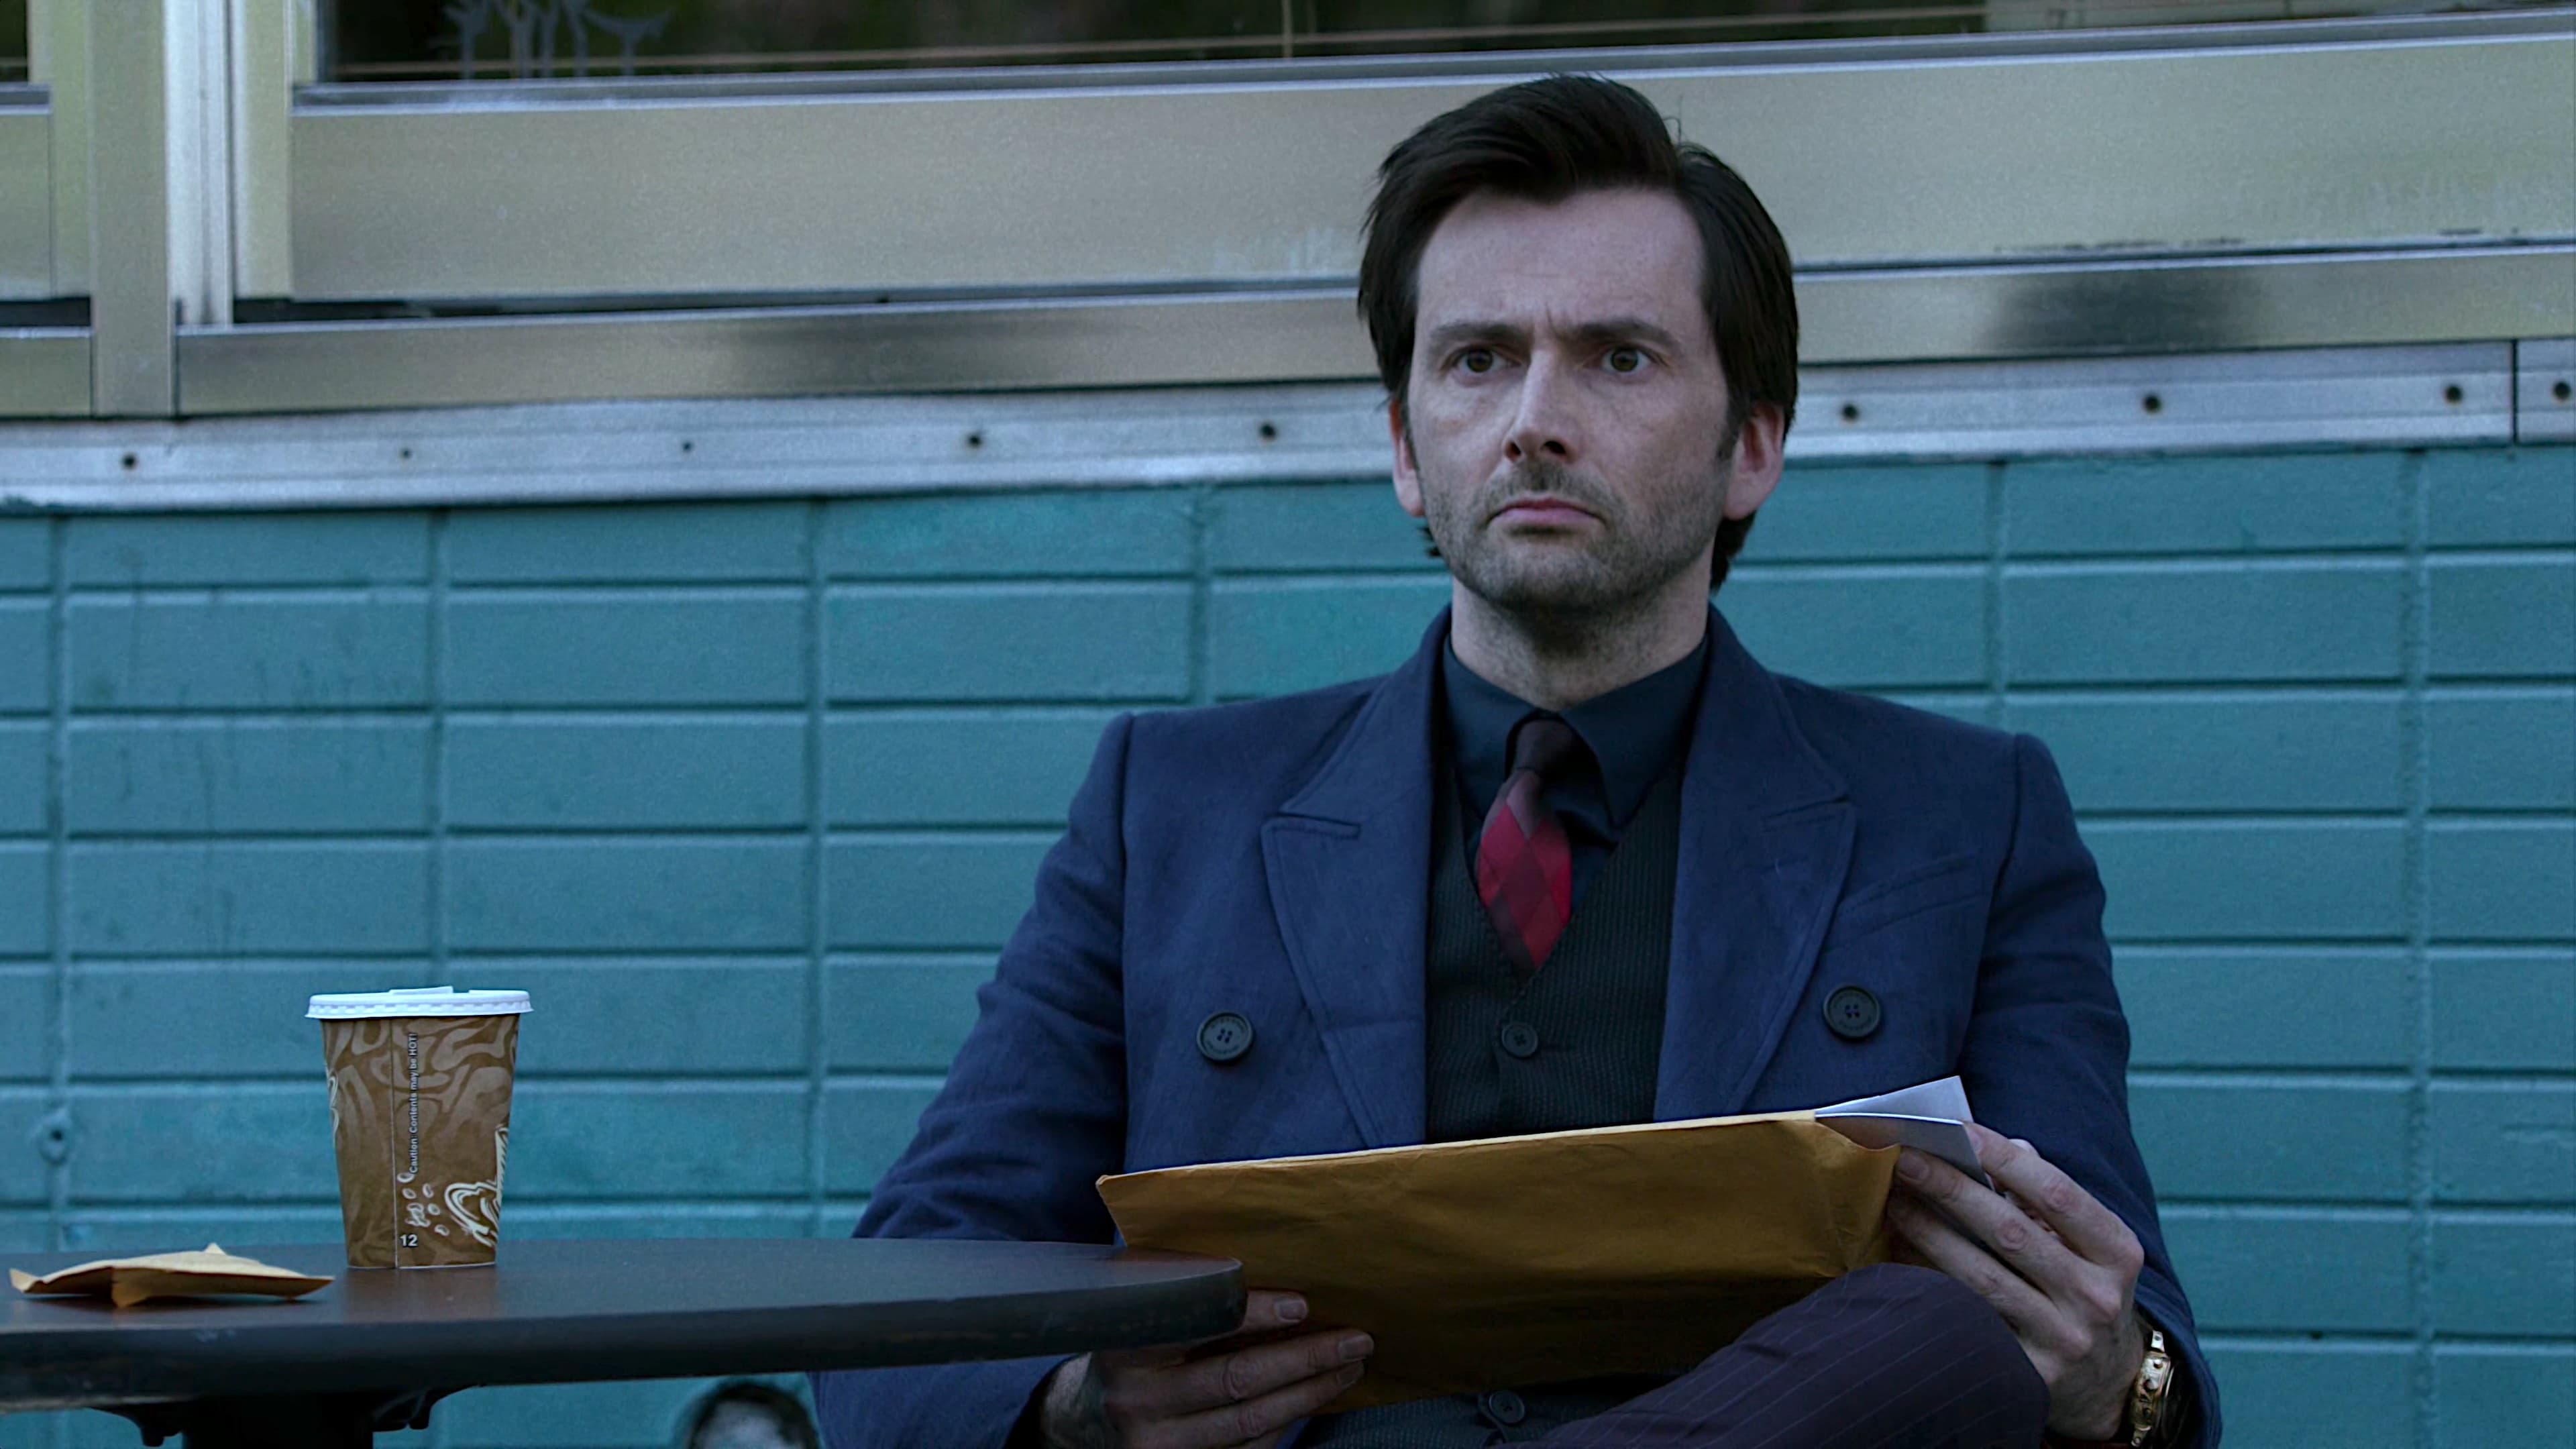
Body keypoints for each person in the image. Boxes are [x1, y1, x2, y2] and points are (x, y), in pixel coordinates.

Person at [812, 74, 2215, 1449]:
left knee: (1928, 1330)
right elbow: (905, 1298)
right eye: (1478, 359)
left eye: (1619, 357)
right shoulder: (1170, 808)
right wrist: (1078, 1411)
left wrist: (2120, 1383)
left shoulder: (1964, 823)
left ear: (1752, 446)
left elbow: (2130, 1344)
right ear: (1406, 446)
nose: (1535, 418)